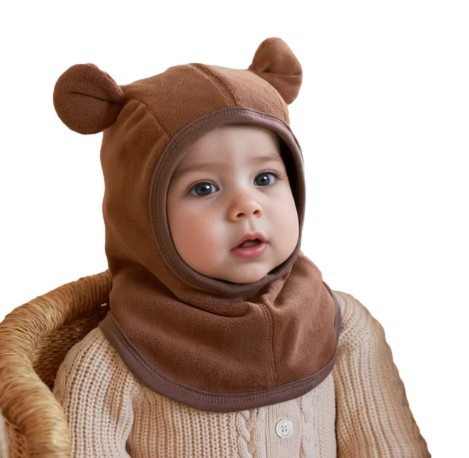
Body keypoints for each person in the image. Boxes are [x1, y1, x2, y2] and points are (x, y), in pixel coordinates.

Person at [52, 37, 430, 457]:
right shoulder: (107, 366)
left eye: (265, 178)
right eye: (204, 187)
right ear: (142, 217)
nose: (246, 206)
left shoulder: (342, 327)